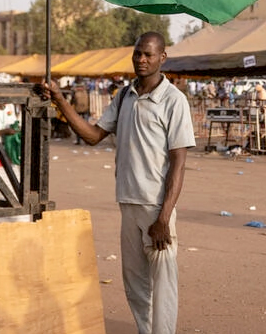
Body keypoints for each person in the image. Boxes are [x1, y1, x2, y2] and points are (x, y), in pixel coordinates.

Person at [40, 32, 195, 334]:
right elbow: (93, 135)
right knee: (135, 284)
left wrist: (164, 217)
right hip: (127, 201)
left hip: (155, 206)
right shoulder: (124, 95)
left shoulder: (174, 101)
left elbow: (179, 163)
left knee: (163, 282)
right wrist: (59, 99)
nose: (141, 59)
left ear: (162, 58)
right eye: (138, 53)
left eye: (148, 54)